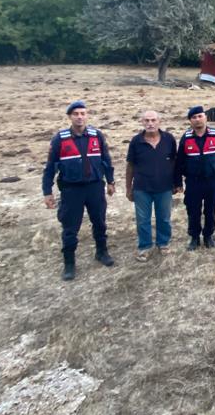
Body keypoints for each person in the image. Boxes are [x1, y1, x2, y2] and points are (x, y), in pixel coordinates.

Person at [42, 100, 116, 281]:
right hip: (71, 189)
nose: (80, 117)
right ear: (70, 117)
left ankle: (101, 252)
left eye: (83, 113)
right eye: (76, 114)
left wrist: (111, 181)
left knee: (99, 222)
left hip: (95, 187)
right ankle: (69, 263)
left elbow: (106, 160)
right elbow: (50, 167)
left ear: (87, 115)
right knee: (70, 227)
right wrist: (47, 191)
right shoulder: (60, 138)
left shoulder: (96, 135)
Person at [173, 105, 215, 250]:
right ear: (190, 121)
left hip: (212, 181)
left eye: (200, 116)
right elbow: (179, 162)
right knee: (193, 210)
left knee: (210, 210)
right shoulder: (186, 138)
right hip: (193, 182)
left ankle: (208, 236)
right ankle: (194, 238)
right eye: (194, 117)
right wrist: (178, 182)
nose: (197, 120)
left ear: (205, 117)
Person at [125, 110, 177, 261]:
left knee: (164, 218)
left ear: (159, 121)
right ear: (142, 122)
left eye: (153, 120)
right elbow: (130, 166)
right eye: (147, 120)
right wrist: (129, 188)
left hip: (165, 187)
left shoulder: (169, 139)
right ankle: (145, 247)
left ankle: (163, 243)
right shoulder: (136, 141)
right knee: (142, 220)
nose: (150, 123)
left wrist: (176, 182)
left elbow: (175, 162)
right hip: (142, 188)